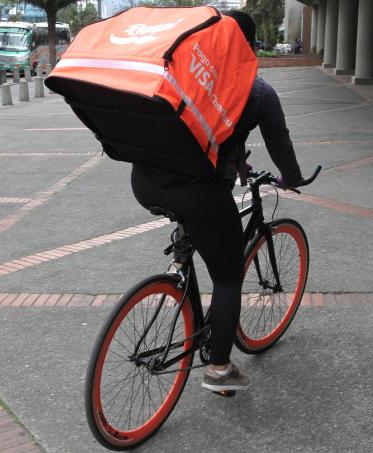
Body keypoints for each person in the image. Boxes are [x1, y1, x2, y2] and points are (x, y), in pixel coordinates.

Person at [130, 10, 303, 393]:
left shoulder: (183, 71)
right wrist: (291, 178)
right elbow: (280, 144)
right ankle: (220, 369)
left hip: (144, 181)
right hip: (198, 191)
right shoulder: (259, 92)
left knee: (199, 231)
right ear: (249, 47)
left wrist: (236, 161)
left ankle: (186, 289)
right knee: (227, 277)